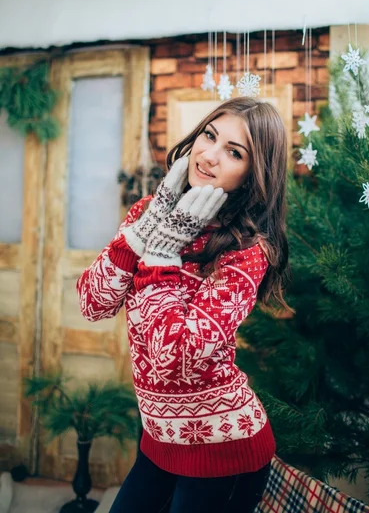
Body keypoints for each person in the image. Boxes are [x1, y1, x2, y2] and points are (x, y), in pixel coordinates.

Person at [77, 96, 294, 513]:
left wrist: (161, 255)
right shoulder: (149, 213)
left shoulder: (246, 251)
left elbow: (174, 358)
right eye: (209, 135)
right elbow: (93, 302)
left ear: (253, 174)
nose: (210, 155)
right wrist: (149, 227)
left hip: (222, 450)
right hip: (158, 439)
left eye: (234, 152)